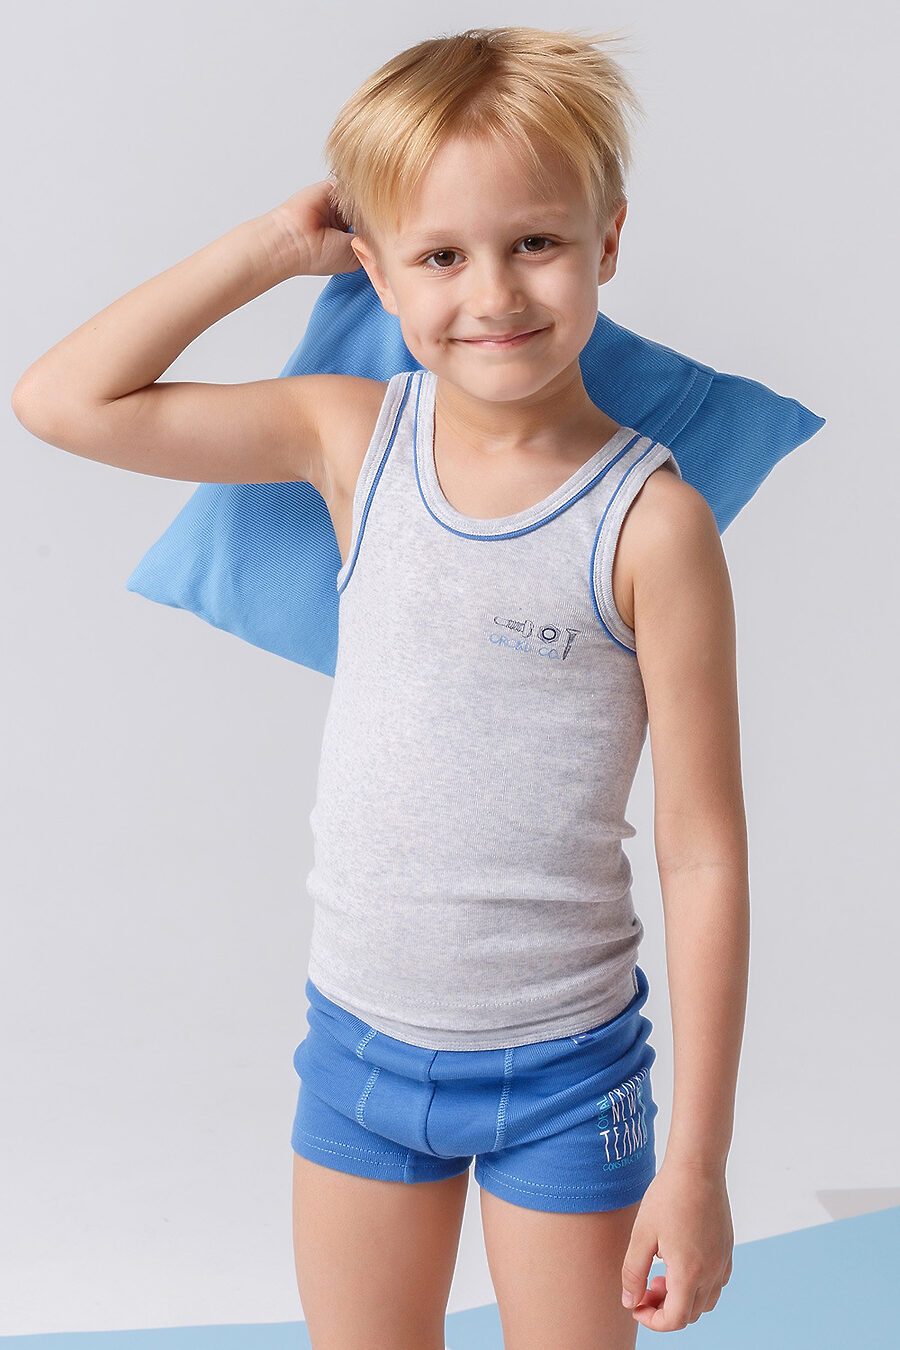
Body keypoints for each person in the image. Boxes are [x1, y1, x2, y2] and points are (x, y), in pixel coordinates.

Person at [12, 24, 748, 1348]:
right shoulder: (352, 438)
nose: (494, 293)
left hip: (566, 1074)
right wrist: (268, 246)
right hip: (355, 1051)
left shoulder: (651, 526)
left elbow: (703, 855)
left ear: (608, 239)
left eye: (536, 241)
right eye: (440, 255)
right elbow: (64, 401)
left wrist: (694, 1166)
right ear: (379, 268)